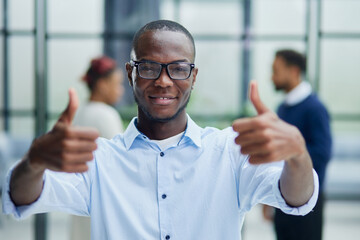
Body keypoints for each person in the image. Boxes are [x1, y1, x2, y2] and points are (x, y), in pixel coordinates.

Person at [2, 20, 319, 240]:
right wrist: (34, 161)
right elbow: (21, 196)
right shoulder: (99, 159)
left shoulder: (229, 152)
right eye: (149, 67)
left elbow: (297, 197)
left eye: (179, 68)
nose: (164, 80)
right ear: (131, 73)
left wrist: (298, 155)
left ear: (193, 77)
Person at [262, 49, 332, 240]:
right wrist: (269, 201)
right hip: (283, 196)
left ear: (293, 71)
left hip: (309, 198)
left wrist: (292, 153)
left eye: (276, 71)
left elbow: (322, 153)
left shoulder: (315, 108)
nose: (271, 77)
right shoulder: (282, 108)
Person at [70, 56, 125, 240]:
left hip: (81, 195)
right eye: (117, 84)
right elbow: (120, 161)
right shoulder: (106, 114)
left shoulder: (80, 112)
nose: (121, 91)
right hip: (103, 199)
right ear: (102, 85)